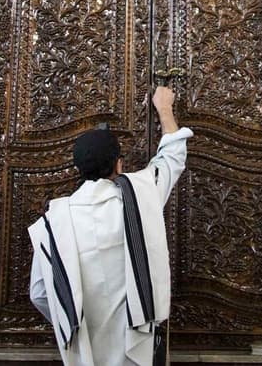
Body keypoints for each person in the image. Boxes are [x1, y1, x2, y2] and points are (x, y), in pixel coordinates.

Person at [28, 86, 193, 365]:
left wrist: (71, 319)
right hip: (137, 348)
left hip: (85, 349)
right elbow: (172, 158)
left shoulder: (53, 223)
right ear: (119, 165)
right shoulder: (139, 197)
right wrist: (164, 108)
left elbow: (41, 293)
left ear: (78, 168)